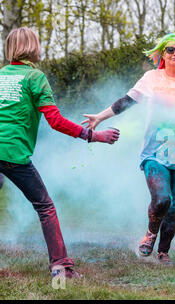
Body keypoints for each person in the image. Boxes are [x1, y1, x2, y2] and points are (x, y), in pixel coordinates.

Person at [82, 30, 175, 266]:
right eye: (170, 49)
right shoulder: (152, 78)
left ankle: (163, 252)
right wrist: (100, 118)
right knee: (162, 199)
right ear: (162, 53)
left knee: (174, 208)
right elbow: (127, 101)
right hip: (155, 152)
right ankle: (151, 233)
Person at [0, 27, 120, 279]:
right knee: (45, 207)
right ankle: (60, 267)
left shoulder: (1, 75)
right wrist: (94, 135)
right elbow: (54, 120)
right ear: (31, 47)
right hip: (12, 153)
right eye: (38, 43)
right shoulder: (35, 77)